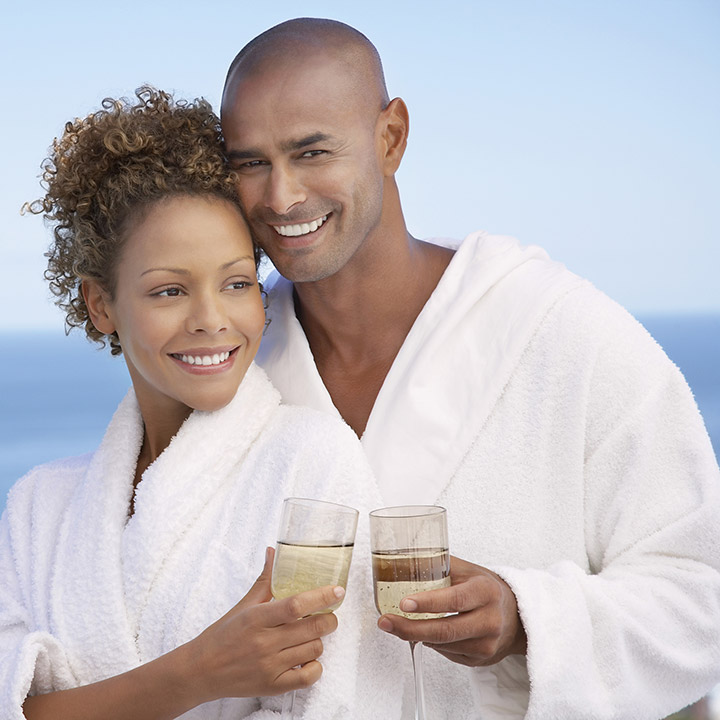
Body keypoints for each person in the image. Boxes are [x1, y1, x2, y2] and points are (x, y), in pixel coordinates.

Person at [220, 18, 720, 720]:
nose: (280, 196)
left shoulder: (560, 332)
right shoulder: (233, 364)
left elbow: (702, 592)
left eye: (312, 152)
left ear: (391, 137)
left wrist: (526, 621)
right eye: (250, 163)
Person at [0, 86, 399, 720]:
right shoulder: (38, 507)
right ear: (100, 305)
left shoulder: (311, 462)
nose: (213, 320)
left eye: (237, 283)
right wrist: (198, 673)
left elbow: (338, 703)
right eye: (169, 291)